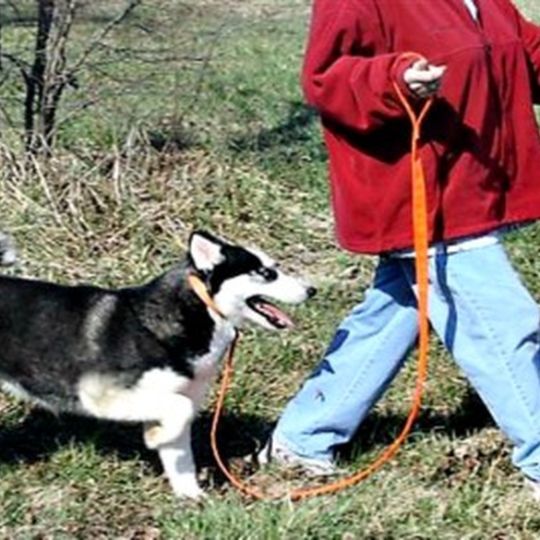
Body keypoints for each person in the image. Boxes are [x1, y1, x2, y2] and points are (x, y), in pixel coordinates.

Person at [260, 0, 540, 498]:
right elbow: (326, 76)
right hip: (418, 193)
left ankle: (302, 439)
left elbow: (523, 53)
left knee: (395, 313)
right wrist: (396, 78)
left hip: (471, 186)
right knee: (506, 325)